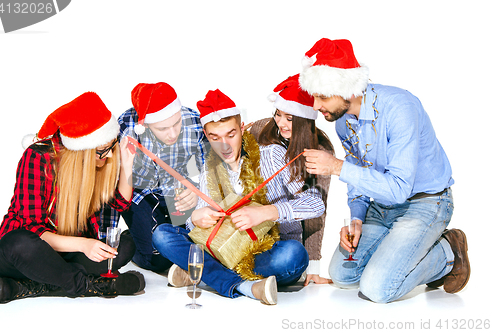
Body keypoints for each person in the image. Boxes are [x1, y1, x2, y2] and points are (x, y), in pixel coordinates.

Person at [300, 38, 470, 303]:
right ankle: (398, 255)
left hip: (424, 203)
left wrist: (335, 166)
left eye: (322, 97)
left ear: (347, 90)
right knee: (342, 276)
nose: (315, 106)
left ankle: (447, 253)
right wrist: (357, 217)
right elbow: (358, 171)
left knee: (378, 289)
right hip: (381, 207)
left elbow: (399, 188)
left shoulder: (399, 108)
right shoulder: (343, 122)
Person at [153, 89, 324, 305]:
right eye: (215, 137)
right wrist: (195, 216)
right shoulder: (206, 167)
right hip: (218, 248)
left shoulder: (271, 155)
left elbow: (315, 202)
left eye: (230, 135)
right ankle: (243, 286)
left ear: (242, 129)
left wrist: (266, 212)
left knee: (293, 256)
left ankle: (201, 272)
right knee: (162, 234)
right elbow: (197, 230)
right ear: (206, 136)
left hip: (266, 251)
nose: (224, 145)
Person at [0, 92, 145, 304]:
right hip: (27, 255)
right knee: (18, 242)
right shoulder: (38, 158)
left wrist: (127, 165)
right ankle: (89, 286)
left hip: (67, 256)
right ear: (82, 151)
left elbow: (119, 203)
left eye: (111, 148)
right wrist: (83, 245)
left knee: (125, 246)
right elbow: (31, 228)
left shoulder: (98, 163)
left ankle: (25, 288)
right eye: (102, 150)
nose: (110, 155)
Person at [100, 82, 208, 273]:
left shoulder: (194, 121)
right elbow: (110, 182)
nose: (172, 133)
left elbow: (205, 166)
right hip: (139, 192)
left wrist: (195, 189)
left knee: (184, 243)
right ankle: (133, 237)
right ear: (145, 125)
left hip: (177, 188)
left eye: (176, 123)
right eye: (163, 129)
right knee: (157, 261)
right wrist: (106, 238)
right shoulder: (127, 126)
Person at [250, 74, 335, 286]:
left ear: (306, 120)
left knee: (292, 256)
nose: (280, 123)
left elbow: (317, 209)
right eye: (277, 115)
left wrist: (313, 266)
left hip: (284, 232)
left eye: (290, 118)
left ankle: (225, 271)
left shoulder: (320, 150)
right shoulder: (261, 129)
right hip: (248, 224)